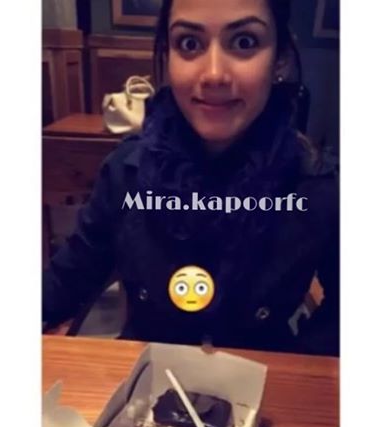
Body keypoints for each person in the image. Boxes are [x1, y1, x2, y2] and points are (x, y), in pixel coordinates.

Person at [43, 0, 339, 356]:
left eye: (244, 42)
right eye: (189, 43)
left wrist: (301, 367)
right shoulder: (126, 172)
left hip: (266, 379)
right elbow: (66, 281)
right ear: (168, 57)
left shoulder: (317, 186)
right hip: (146, 378)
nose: (213, 74)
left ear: (280, 59)